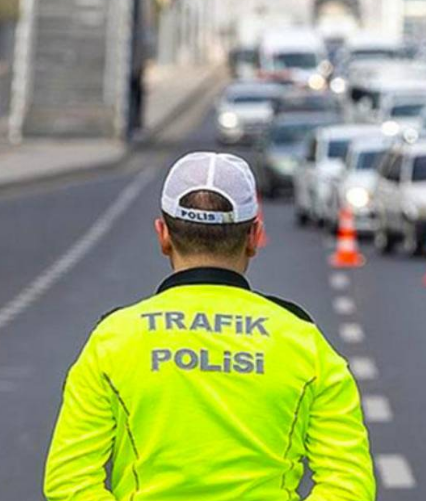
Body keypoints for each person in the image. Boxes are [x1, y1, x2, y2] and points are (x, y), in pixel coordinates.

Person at [44, 152, 375, 501]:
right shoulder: (304, 342)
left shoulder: (113, 340)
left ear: (163, 235)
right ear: (254, 237)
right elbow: (349, 485)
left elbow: (69, 482)